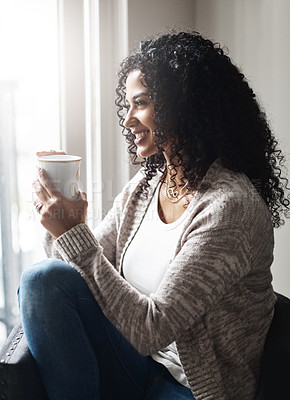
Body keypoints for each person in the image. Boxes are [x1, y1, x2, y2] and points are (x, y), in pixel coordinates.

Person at [18, 31, 290, 400]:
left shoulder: (230, 208)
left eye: (141, 103)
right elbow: (76, 277)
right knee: (43, 279)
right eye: (127, 105)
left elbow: (152, 328)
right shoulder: (144, 190)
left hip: (190, 389)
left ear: (185, 106)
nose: (128, 120)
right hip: (137, 365)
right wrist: (59, 215)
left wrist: (74, 234)